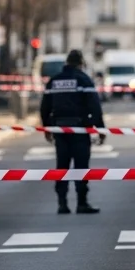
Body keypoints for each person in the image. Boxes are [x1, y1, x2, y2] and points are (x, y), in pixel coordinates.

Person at [40, 49, 105, 215]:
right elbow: (95, 107)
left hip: (59, 129)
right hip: (80, 129)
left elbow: (45, 107)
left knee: (61, 166)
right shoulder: (84, 80)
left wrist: (47, 127)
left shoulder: (54, 81)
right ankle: (82, 203)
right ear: (80, 63)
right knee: (81, 166)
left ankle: (62, 204)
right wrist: (100, 128)